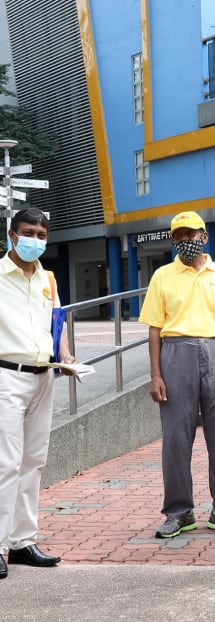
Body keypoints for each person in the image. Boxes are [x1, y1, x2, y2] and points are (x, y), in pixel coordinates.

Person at [139, 211, 215, 540]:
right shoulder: (162, 276)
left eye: (192, 234)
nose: (187, 240)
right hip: (176, 353)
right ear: (173, 240)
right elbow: (155, 330)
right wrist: (156, 374)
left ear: (204, 235)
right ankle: (179, 511)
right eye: (180, 236)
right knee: (175, 439)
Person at [0, 207, 74, 579]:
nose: (35, 240)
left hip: (44, 377)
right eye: (28, 232)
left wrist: (65, 356)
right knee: (6, 463)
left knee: (34, 461)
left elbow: (56, 321)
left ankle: (22, 541)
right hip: (7, 378)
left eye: (42, 235)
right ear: (12, 235)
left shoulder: (48, 279)